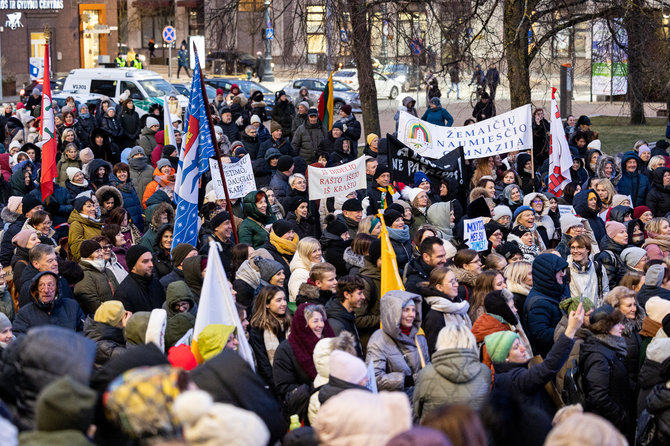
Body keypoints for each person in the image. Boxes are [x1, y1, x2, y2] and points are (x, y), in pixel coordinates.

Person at [486, 301, 584, 420]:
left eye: (520, 344)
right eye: (516, 347)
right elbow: (549, 367)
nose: (523, 349)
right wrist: (570, 330)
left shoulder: (510, 373)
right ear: (504, 357)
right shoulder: (512, 380)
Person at [413, 322, 491, 421]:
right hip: (471, 434)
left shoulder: (426, 373)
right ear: (469, 341)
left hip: (435, 433)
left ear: (442, 342)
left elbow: (417, 410)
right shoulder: (484, 372)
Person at [579, 305, 634, 440]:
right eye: (617, 324)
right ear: (605, 328)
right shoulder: (598, 355)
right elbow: (598, 396)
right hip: (611, 426)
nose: (622, 327)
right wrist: (621, 417)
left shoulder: (609, 346)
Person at [272, 303, 335, 421]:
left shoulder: (328, 344)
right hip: (303, 413)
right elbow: (283, 387)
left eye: (322, 320)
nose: (321, 325)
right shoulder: (286, 349)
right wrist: (316, 388)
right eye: (315, 321)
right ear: (303, 325)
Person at [366, 290, 429, 399]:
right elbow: (374, 378)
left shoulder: (419, 336)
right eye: (406, 310)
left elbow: (427, 364)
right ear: (393, 313)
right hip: (394, 405)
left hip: (420, 399)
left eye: (414, 310)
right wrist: (407, 380)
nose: (412, 315)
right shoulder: (378, 340)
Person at [418, 266, 471, 357]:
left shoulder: (460, 306)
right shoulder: (434, 316)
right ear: (439, 287)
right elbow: (434, 350)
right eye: (451, 282)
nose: (457, 285)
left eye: (456, 280)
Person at [524, 253, 569, 358]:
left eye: (563, 270)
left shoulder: (557, 290)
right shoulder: (538, 303)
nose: (562, 274)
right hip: (552, 358)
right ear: (548, 274)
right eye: (558, 271)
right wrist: (571, 330)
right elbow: (543, 336)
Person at [13, 271, 86, 335]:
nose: (46, 290)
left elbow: (85, 331)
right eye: (41, 285)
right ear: (36, 289)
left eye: (50, 285)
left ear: (57, 288)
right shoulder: (25, 313)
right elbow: (18, 339)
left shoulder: (72, 306)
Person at [249, 285, 291, 393]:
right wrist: (278, 386)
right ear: (267, 304)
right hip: (273, 385)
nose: (284, 304)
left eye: (284, 299)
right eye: (278, 300)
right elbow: (263, 362)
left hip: (291, 378)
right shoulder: (258, 328)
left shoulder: (289, 323)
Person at [113, 245, 165, 313]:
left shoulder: (156, 283)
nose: (151, 264)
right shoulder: (123, 293)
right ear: (133, 266)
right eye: (145, 261)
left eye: (151, 260)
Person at [74, 239, 119, 315]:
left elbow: (119, 291)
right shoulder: (83, 274)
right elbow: (91, 302)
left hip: (117, 314)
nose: (101, 254)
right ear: (88, 255)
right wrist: (111, 314)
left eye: (100, 250)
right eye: (97, 251)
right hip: (101, 319)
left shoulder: (107, 270)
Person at [325, 275, 366, 358]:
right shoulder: (337, 325)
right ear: (346, 295)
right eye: (359, 293)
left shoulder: (347, 315)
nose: (363, 297)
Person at [567, 234, 609, 307]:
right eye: (573, 247)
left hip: (595, 314)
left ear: (588, 249)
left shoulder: (598, 267)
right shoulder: (566, 269)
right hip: (576, 315)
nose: (575, 251)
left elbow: (605, 291)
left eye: (579, 247)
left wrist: (600, 311)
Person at [595, 221, 629, 290]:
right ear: (611, 236)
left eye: (626, 231)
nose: (626, 235)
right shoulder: (606, 256)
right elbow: (610, 284)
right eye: (621, 232)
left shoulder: (624, 250)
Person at [68, 196, 103, 262]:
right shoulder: (76, 224)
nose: (93, 209)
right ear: (80, 209)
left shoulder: (96, 223)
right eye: (89, 206)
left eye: (93, 206)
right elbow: (76, 249)